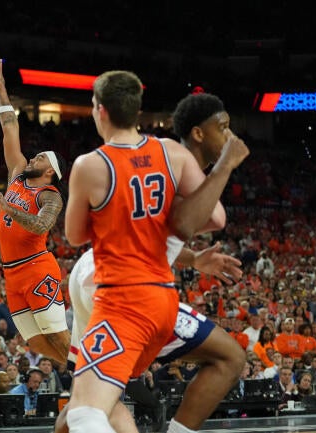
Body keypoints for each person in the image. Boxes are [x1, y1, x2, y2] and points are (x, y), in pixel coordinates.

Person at [62, 71, 248, 433]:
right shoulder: (170, 157)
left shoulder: (102, 163)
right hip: (121, 288)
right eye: (223, 128)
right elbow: (203, 220)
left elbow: (109, 232)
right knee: (229, 356)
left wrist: (192, 258)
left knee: (89, 398)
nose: (231, 137)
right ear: (198, 133)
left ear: (101, 110)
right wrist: (224, 168)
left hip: (100, 277)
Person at [0, 59, 71, 367]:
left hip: (37, 268)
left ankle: (93, 378)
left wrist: (7, 206)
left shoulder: (50, 195)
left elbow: (40, 226)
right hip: (11, 272)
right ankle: (77, 372)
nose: (33, 158)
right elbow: (9, 127)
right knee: (34, 341)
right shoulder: (17, 174)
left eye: (40, 158)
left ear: (50, 171)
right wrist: (1, 90)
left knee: (57, 335)